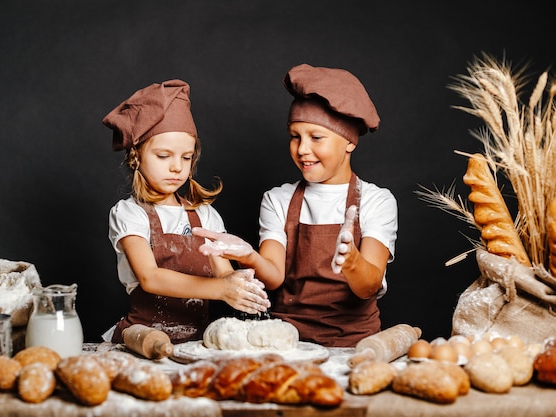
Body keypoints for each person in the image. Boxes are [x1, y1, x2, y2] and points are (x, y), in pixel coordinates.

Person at [193, 64, 398, 347]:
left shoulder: (377, 201)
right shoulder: (278, 199)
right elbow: (274, 277)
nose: (302, 149)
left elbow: (369, 286)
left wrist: (351, 261)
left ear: (349, 141)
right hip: (287, 341)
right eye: (294, 136)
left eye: (316, 137)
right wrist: (249, 255)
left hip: (355, 343)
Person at [101, 79, 270, 344]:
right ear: (136, 157)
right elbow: (150, 277)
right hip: (143, 338)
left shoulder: (205, 215)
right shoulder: (130, 214)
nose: (176, 167)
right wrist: (221, 289)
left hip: (198, 342)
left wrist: (240, 283)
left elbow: (223, 274)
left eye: (186, 157)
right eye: (163, 155)